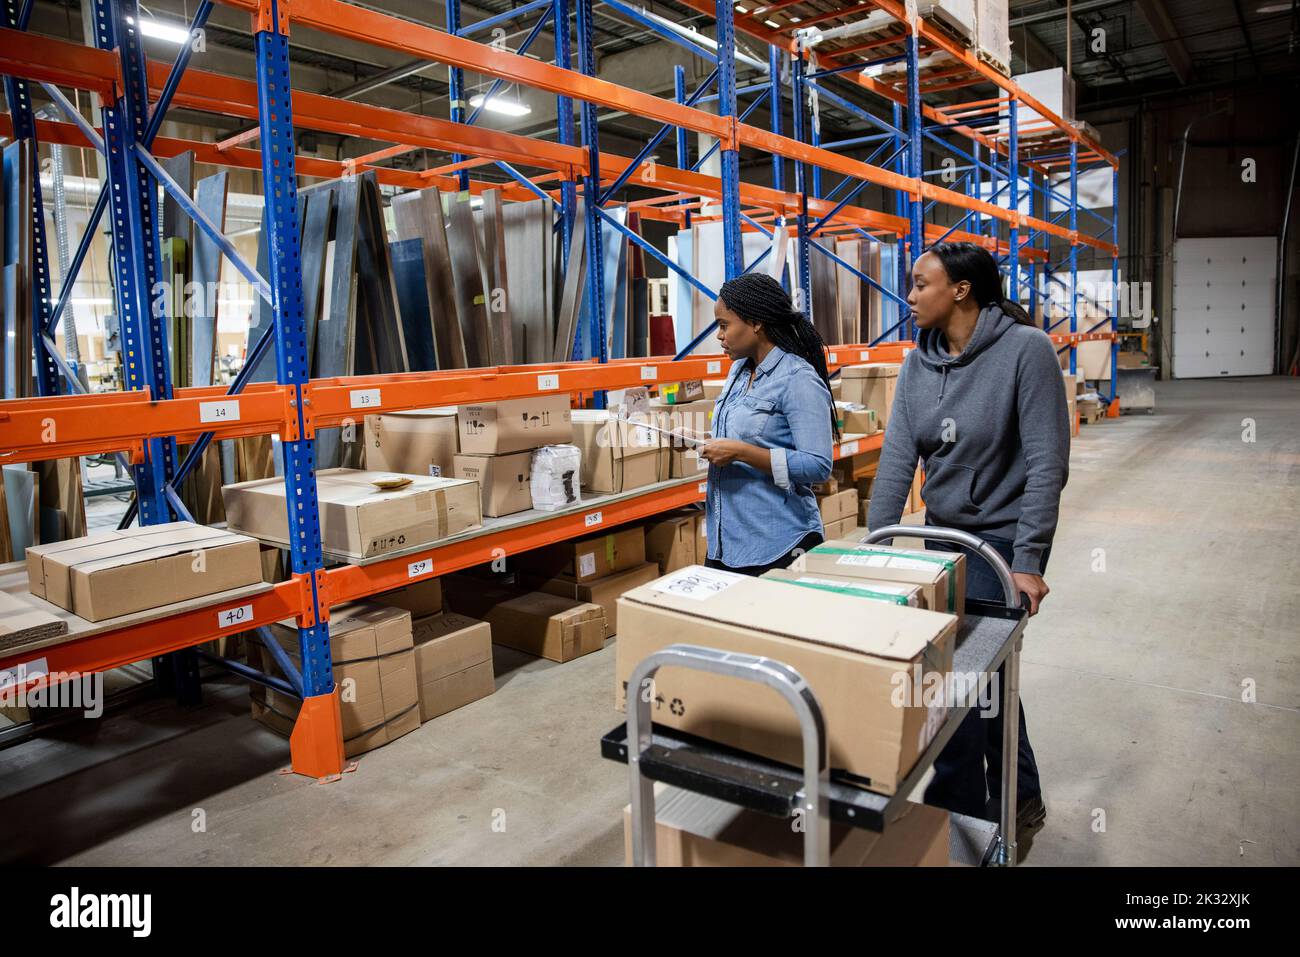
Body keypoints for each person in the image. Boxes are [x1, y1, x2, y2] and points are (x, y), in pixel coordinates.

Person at [867, 242, 1070, 834]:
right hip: (943, 542)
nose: (909, 298)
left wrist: (1028, 561)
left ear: (960, 289)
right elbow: (898, 459)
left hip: (999, 544)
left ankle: (956, 821)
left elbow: (1046, 463)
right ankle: (1021, 794)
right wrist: (873, 550)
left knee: (955, 686)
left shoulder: (1025, 351)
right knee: (987, 680)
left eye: (919, 285)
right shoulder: (916, 363)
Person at [696, 273, 837, 577]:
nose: (719, 336)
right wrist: (699, 440)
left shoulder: (797, 379)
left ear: (756, 323)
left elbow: (818, 465)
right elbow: (742, 435)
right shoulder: (738, 371)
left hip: (779, 544)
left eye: (724, 326)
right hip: (726, 543)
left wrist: (741, 453)